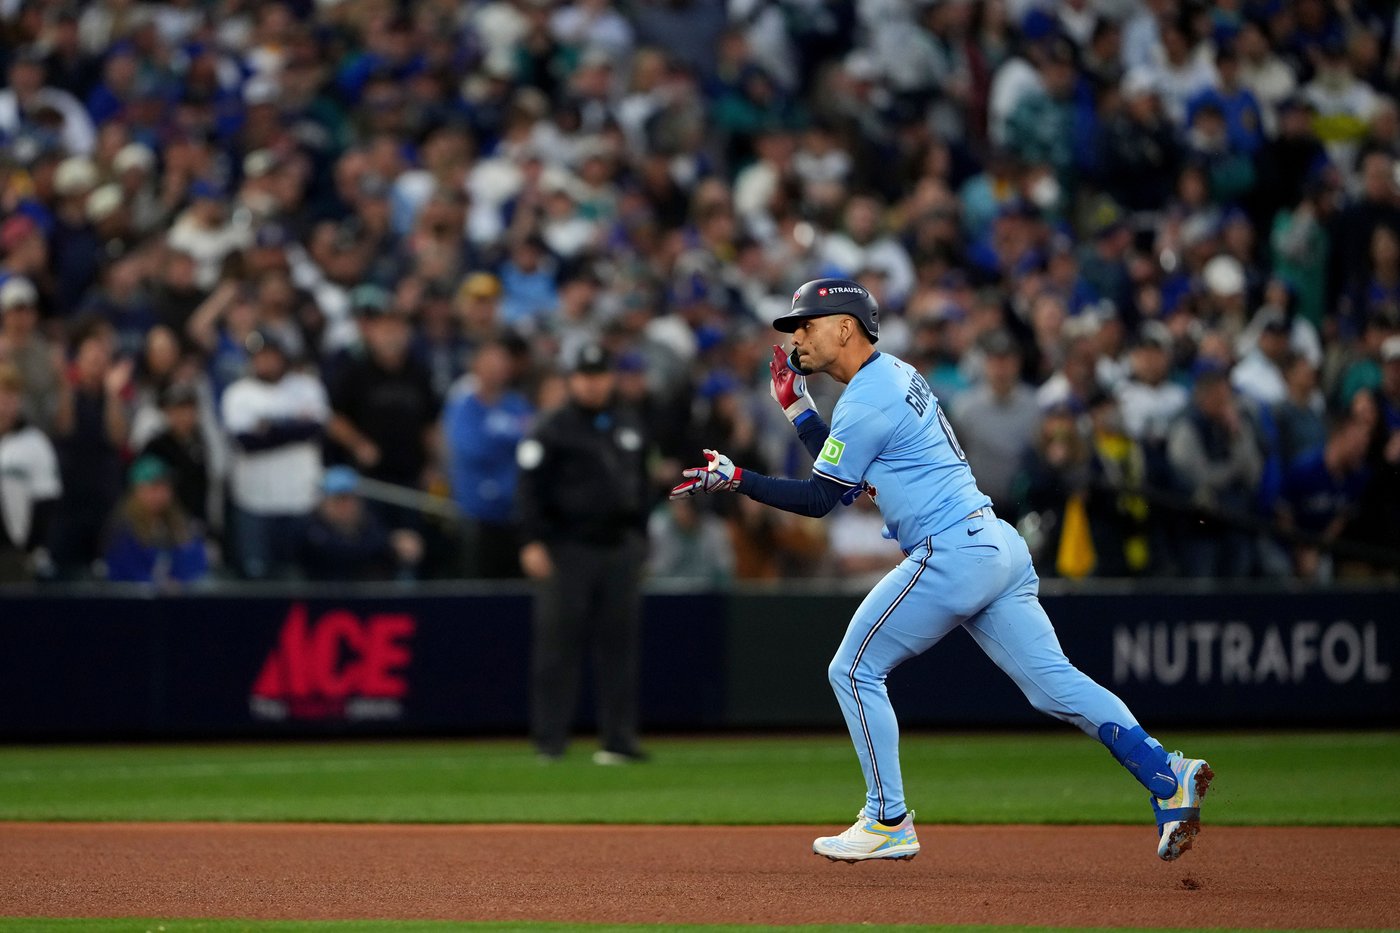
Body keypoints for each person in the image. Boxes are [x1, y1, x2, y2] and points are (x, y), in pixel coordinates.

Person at [670, 278, 1212, 862]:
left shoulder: (867, 397)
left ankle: (887, 818)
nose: (796, 337)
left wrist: (738, 478)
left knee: (852, 670)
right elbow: (851, 480)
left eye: (806, 324)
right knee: (1056, 684)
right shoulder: (895, 375)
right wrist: (799, 407)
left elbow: (821, 500)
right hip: (994, 544)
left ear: (845, 328)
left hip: (952, 549)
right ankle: (1166, 773)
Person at [515, 342, 652, 765]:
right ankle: (550, 742)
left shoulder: (628, 423)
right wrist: (531, 541)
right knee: (558, 647)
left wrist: (640, 538)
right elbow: (528, 490)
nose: (592, 384)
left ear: (608, 378)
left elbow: (642, 483)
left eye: (599, 375)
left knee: (619, 647)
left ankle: (618, 740)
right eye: (585, 376)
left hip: (619, 547)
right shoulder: (551, 427)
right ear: (572, 380)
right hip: (567, 548)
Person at [220, 328, 329, 580]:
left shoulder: (306, 386)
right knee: (255, 579)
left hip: (301, 499)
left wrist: (268, 429)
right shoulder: (238, 393)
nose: (265, 361)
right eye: (259, 356)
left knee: (299, 578)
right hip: (254, 502)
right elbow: (245, 442)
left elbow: (315, 429)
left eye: (271, 355)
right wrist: (292, 425)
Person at [443, 339, 534, 578]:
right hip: (478, 518)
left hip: (516, 516)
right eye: (490, 361)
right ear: (476, 366)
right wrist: (512, 440)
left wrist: (500, 438)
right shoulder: (463, 405)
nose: (496, 368)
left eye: (501, 361)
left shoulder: (517, 404)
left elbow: (534, 448)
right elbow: (473, 448)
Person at [296, 466, 424, 582]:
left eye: (350, 498)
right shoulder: (309, 528)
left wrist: (399, 544)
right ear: (324, 502)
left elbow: (377, 542)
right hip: (322, 598)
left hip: (367, 601)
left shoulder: (370, 520)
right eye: (338, 499)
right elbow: (341, 553)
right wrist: (390, 543)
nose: (346, 506)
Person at [102, 455, 209, 586]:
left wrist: (180, 581)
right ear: (137, 490)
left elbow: (195, 566)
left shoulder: (178, 524)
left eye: (165, 487)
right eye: (154, 487)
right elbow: (125, 572)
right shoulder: (122, 528)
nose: (161, 494)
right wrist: (159, 585)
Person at [0, 363, 61, 582]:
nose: (5, 405)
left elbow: (46, 504)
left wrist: (31, 551)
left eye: (11, 398)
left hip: (13, 557)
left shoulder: (35, 444)